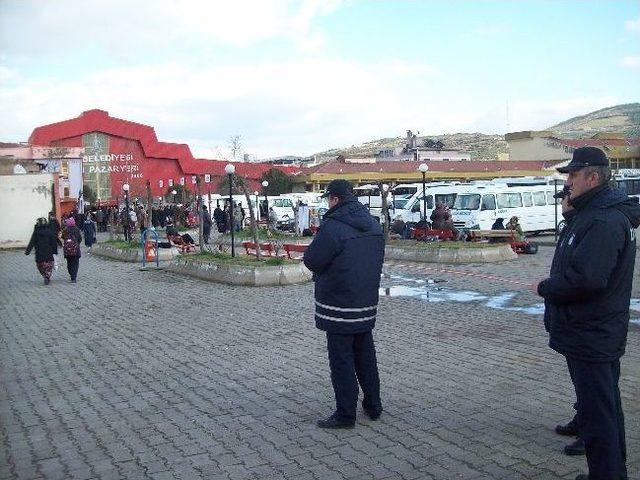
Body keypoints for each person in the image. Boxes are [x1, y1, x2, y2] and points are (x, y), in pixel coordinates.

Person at [534, 146, 640, 480]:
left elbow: (589, 279)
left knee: (599, 415)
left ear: (593, 177)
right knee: (602, 411)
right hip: (587, 330)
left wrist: (547, 287)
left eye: (574, 175)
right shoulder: (588, 215)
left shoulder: (604, 220)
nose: (569, 182)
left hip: (593, 332)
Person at [303, 179, 385, 429]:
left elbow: (313, 260)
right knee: (366, 356)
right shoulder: (373, 224)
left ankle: (345, 414)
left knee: (342, 361)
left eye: (329, 198)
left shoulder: (334, 226)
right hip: (365, 301)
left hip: (339, 304)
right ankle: (373, 406)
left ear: (335, 199)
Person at [25, 217, 59, 285]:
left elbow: (32, 242)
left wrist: (28, 251)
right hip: (48, 252)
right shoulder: (50, 231)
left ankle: (44, 275)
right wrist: (55, 251)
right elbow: (54, 242)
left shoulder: (36, 232)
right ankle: (47, 276)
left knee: (40, 265)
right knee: (49, 265)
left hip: (39, 253)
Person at [61, 217, 83, 283]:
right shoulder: (77, 229)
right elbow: (80, 239)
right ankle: (74, 277)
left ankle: (71, 273)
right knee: (75, 264)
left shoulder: (65, 230)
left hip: (68, 250)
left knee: (69, 263)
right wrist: (76, 244)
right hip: (76, 250)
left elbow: (63, 237)